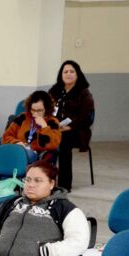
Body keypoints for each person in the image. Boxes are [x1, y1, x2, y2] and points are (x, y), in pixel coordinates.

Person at [48, 60, 95, 191]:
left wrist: (70, 126)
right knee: (43, 139)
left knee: (64, 142)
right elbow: (47, 109)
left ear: (77, 74)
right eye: (65, 71)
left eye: (72, 71)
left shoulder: (84, 93)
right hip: (56, 128)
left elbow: (87, 117)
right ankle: (44, 179)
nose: (68, 74)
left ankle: (64, 185)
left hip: (77, 131)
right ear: (61, 74)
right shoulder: (54, 90)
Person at [2, 90, 61, 163]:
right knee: (1, 153)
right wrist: (16, 142)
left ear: (47, 109)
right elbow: (6, 136)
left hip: (36, 154)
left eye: (39, 110)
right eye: (33, 110)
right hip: (18, 150)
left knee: (20, 156)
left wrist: (44, 127)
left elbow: (53, 145)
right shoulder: (23, 117)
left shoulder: (52, 121)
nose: (35, 113)